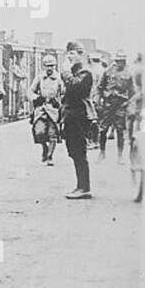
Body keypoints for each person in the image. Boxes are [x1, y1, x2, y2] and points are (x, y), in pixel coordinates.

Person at [60, 41, 96, 199]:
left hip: (79, 118)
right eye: (68, 54)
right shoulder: (75, 72)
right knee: (74, 152)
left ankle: (84, 187)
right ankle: (80, 186)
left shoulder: (85, 73)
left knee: (79, 152)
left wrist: (66, 73)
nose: (69, 57)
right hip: (71, 117)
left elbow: (75, 88)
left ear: (80, 54)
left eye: (72, 54)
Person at [95, 50, 135, 164]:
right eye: (118, 61)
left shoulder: (128, 73)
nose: (120, 63)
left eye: (122, 61)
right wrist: (98, 101)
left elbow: (133, 92)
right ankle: (102, 153)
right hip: (108, 104)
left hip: (120, 105)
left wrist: (128, 103)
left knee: (120, 131)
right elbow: (99, 87)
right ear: (115, 61)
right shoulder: (107, 72)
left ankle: (120, 155)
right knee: (103, 129)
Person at [28, 54, 63, 165]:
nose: (49, 68)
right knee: (39, 132)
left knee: (52, 133)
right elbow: (30, 91)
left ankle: (49, 156)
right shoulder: (39, 77)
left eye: (52, 66)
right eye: (47, 66)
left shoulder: (59, 78)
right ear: (43, 66)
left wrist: (59, 103)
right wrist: (36, 98)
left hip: (53, 109)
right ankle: (44, 148)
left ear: (55, 66)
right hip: (41, 109)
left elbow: (64, 93)